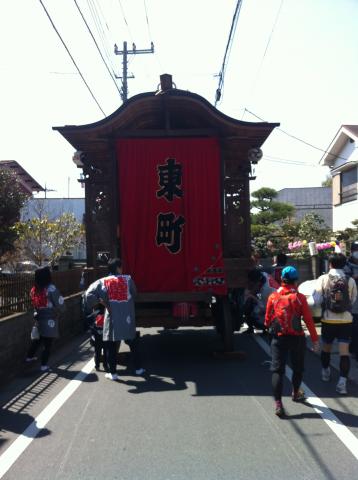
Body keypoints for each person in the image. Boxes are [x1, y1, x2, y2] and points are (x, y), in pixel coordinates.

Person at [265, 266, 319, 417]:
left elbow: (267, 320)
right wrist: (315, 340)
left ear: (281, 279)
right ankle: (295, 393)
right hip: (296, 338)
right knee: (298, 368)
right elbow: (308, 320)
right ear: (296, 280)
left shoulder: (273, 296)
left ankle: (278, 404)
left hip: (278, 337)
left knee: (277, 370)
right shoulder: (300, 298)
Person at [84, 258, 145, 381]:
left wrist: (101, 301)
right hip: (127, 317)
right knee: (133, 343)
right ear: (118, 267)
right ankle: (138, 369)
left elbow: (88, 294)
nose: (122, 269)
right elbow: (135, 294)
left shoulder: (102, 282)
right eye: (121, 267)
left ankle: (113, 373)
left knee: (111, 346)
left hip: (112, 317)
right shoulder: (127, 279)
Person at [313, 253, 357, 394]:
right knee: (344, 353)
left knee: (326, 348)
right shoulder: (350, 280)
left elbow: (316, 299)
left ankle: (326, 373)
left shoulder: (323, 278)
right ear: (344, 264)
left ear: (330, 264)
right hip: (346, 320)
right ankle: (342, 383)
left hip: (328, 320)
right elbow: (353, 299)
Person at [26, 266, 65, 371]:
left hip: (39, 316)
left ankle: (29, 357)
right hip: (50, 318)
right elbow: (60, 302)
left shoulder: (34, 289)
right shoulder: (51, 288)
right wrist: (60, 311)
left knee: (38, 339)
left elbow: (33, 303)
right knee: (47, 343)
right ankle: (43, 365)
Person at [243, 268, 276, 334]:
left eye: (252, 283)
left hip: (273, 310)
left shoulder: (266, 291)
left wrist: (251, 296)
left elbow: (263, 308)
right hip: (272, 303)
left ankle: (265, 327)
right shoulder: (264, 274)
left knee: (249, 305)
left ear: (257, 282)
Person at [345, 241, 358, 361]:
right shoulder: (346, 266)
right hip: (352, 305)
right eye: (356, 250)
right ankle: (353, 350)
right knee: (354, 329)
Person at [89, 304, 109, 372]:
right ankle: (105, 366)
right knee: (105, 352)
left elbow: (87, 320)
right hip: (105, 336)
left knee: (97, 352)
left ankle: (97, 366)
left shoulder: (94, 314)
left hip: (96, 336)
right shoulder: (107, 313)